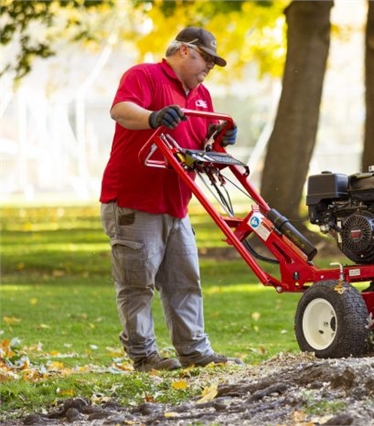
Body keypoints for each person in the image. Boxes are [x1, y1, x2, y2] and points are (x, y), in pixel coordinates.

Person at [99, 27, 241, 372]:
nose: (209, 67)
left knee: (184, 281)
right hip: (134, 199)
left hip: (176, 204)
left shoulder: (202, 96)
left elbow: (197, 147)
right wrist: (153, 117)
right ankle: (144, 356)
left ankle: (194, 353)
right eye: (205, 59)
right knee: (137, 284)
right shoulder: (145, 75)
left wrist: (219, 137)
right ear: (183, 51)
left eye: (213, 62)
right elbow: (120, 110)